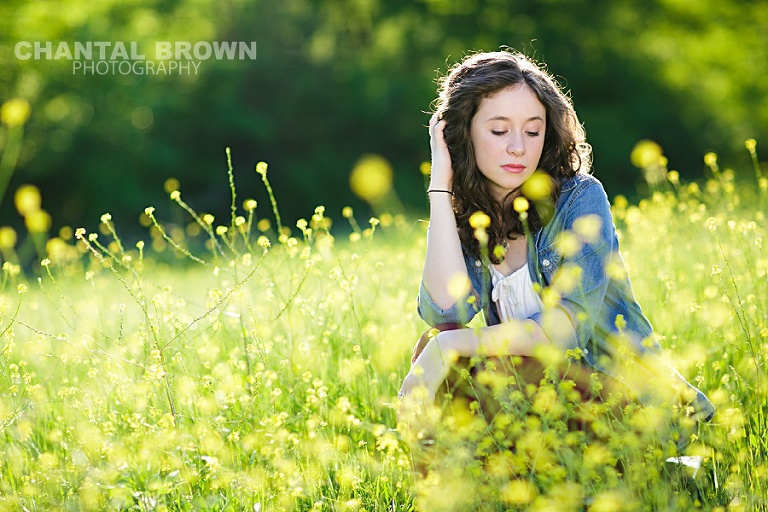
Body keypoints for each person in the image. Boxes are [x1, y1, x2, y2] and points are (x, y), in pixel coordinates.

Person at [397, 50, 714, 446]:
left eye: (533, 131)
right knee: (440, 349)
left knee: (450, 348)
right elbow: (446, 310)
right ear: (461, 133)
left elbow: (563, 334)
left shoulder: (579, 198)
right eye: (499, 131)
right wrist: (441, 187)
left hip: (622, 400)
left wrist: (452, 343)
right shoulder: (473, 217)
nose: (518, 147)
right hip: (543, 405)